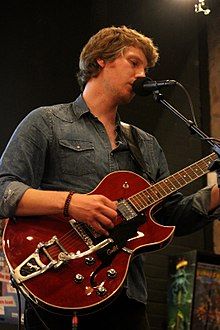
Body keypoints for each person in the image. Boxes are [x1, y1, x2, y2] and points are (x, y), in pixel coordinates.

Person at [0, 25, 219, 330]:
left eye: (146, 68)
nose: (143, 75)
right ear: (101, 59)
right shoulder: (47, 122)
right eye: (134, 63)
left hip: (127, 293)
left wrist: (217, 194)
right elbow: (4, 191)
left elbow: (171, 215)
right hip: (59, 282)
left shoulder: (146, 144)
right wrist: (71, 204)